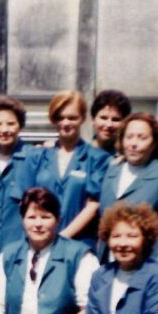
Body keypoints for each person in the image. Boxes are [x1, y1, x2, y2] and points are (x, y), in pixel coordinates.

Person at [97, 113, 158, 266]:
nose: (134, 143)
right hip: (111, 264)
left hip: (148, 265)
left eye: (142, 138)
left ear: (154, 143)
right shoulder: (111, 171)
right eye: (129, 137)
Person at [35, 91, 110, 250]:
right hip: (42, 243)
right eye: (60, 117)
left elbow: (93, 205)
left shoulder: (97, 158)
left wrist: (62, 237)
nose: (66, 122)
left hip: (79, 244)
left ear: (82, 118)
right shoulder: (40, 155)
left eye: (72, 117)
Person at [0, 96, 44, 267]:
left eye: (10, 124)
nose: (4, 130)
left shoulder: (36, 157)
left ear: (20, 125)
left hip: (25, 245)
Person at [90, 90, 132, 155]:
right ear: (93, 119)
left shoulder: (129, 159)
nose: (109, 125)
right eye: (103, 118)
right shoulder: (79, 155)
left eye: (115, 119)